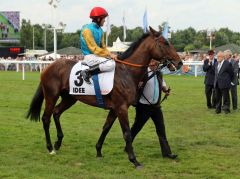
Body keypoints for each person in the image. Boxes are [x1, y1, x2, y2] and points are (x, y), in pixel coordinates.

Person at [130, 59, 177, 159]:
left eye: (156, 64)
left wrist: (165, 90)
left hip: (156, 107)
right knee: (136, 128)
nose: (154, 65)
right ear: (149, 63)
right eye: (153, 63)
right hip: (143, 106)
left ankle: (167, 153)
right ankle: (128, 145)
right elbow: (134, 85)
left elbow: (162, 84)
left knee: (161, 129)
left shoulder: (159, 73)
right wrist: (138, 85)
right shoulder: (143, 73)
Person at [79, 7, 117, 84]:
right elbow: (94, 49)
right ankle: (87, 72)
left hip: (97, 56)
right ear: (99, 19)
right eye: (104, 18)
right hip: (89, 56)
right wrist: (109, 54)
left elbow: (103, 47)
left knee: (114, 61)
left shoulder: (101, 31)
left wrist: (111, 55)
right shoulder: (87, 30)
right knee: (111, 64)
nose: (105, 20)